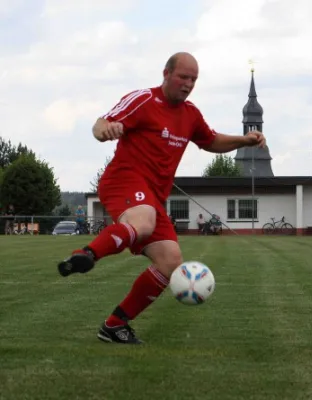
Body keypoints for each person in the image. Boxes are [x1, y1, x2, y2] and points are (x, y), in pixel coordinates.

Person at [57, 52, 266, 344]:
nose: (188, 84)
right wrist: (105, 130)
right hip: (123, 180)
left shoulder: (191, 114)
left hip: (153, 198)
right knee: (143, 221)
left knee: (170, 261)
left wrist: (245, 140)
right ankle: (87, 254)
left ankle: (115, 326)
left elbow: (211, 140)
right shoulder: (143, 100)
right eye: (183, 77)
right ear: (166, 73)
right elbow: (101, 123)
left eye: (193, 79)